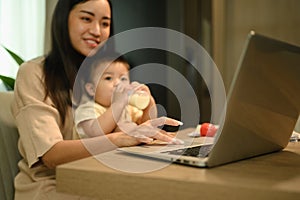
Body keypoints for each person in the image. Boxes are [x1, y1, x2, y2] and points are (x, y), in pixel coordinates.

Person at [12, 0, 182, 199]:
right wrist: (119, 139)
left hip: (105, 176)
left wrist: (147, 115)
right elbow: (51, 155)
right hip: (53, 185)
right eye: (86, 18)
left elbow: (130, 129)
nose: (97, 31)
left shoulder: (107, 72)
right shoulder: (35, 73)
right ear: (62, 20)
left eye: (105, 23)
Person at [74, 55, 156, 140]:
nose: (117, 83)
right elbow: (95, 133)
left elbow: (148, 125)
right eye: (108, 78)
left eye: (123, 79)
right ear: (92, 89)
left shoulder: (128, 108)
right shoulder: (87, 109)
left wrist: (149, 102)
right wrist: (118, 104)